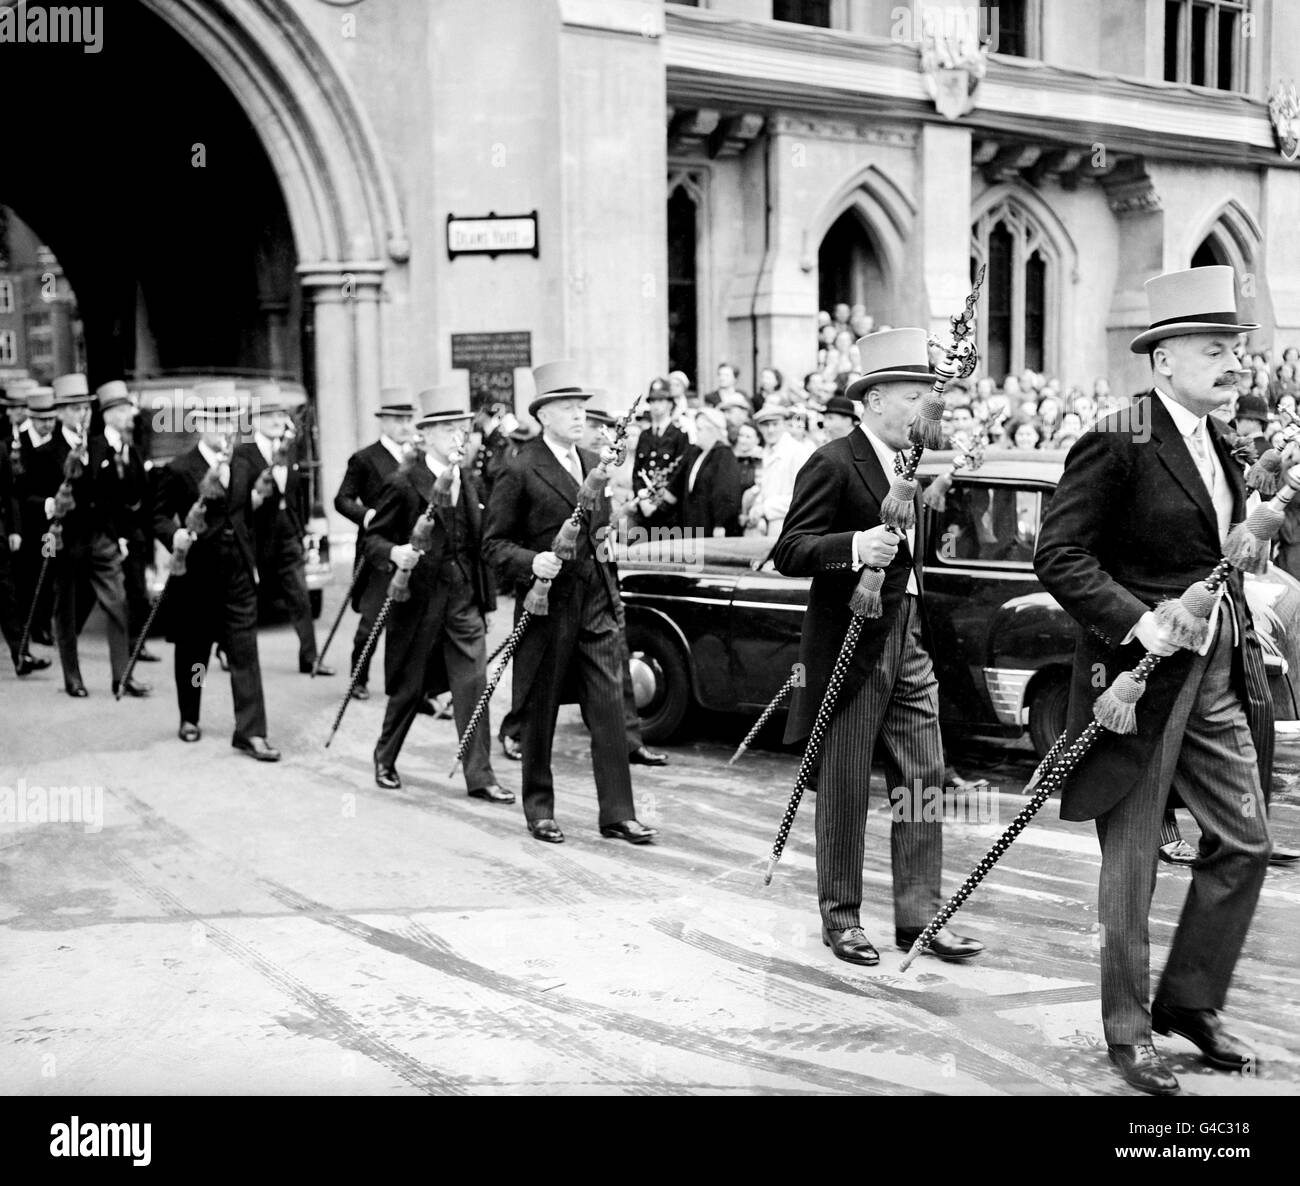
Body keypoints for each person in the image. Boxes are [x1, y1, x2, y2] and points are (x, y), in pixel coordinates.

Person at [1035, 266, 1278, 1096]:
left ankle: (1190, 1003)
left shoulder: (1229, 445)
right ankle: (1128, 1031)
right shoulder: (1118, 437)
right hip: (1136, 681)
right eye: (1215, 349)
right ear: (1164, 358)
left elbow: (1219, 557)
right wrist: (1138, 621)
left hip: (1213, 674)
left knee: (1245, 840)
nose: (1233, 363)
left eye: (1237, 349)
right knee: (1132, 864)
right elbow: (1059, 555)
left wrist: (1259, 562)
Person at [771, 329, 985, 969]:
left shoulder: (914, 467)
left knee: (921, 780)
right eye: (915, 394)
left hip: (910, 637)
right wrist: (854, 547)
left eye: (930, 394)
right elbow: (790, 550)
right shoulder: (834, 461)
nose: (928, 406)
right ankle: (842, 917)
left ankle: (920, 919)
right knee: (842, 785)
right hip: (851, 644)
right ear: (873, 400)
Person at [483, 361, 658, 845]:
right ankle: (539, 808)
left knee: (608, 711)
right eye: (568, 407)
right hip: (546, 609)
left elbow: (600, 535)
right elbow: (493, 544)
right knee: (539, 715)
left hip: (595, 604)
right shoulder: (518, 469)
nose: (580, 415)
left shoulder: (591, 462)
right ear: (543, 415)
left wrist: (613, 589)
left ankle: (618, 814)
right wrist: (531, 561)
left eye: (583, 406)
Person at [364, 387, 511, 801]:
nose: (457, 439)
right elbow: (372, 542)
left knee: (473, 686)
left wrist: (487, 603)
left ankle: (480, 776)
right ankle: (385, 756)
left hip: (463, 602)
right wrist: (396, 552)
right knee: (410, 688)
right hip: (420, 605)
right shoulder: (404, 483)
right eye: (447, 430)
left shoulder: (470, 481)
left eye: (462, 430)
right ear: (426, 435)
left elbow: (479, 546)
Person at [152, 382, 279, 759]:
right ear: (198, 423)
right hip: (197, 575)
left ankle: (251, 732)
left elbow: (244, 516)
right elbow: (157, 516)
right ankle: (190, 715)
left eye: (229, 420)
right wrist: (175, 535)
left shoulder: (244, 464)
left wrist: (254, 558)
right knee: (195, 652)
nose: (224, 428)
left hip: (237, 572)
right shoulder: (179, 469)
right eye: (215, 419)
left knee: (245, 652)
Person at [24, 374, 143, 699]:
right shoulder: (45, 452)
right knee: (67, 611)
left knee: (118, 604)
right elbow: (28, 498)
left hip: (101, 538)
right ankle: (72, 677)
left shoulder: (99, 446)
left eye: (85, 409)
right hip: (67, 542)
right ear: (60, 413)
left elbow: (114, 497)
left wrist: (118, 536)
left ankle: (123, 676)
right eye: (74, 409)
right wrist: (51, 504)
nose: (81, 415)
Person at [231, 384, 332, 677]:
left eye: (280, 415)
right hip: (257, 538)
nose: (277, 421)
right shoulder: (243, 454)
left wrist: (302, 527)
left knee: (300, 597)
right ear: (255, 420)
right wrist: (255, 499)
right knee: (245, 600)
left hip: (288, 536)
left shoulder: (289, 451)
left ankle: (310, 658)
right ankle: (227, 649)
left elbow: (297, 493)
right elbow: (237, 503)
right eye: (269, 416)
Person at [334, 392, 418, 700]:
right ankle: (359, 676)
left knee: (412, 620)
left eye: (409, 419)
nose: (405, 426)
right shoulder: (366, 458)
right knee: (371, 620)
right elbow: (342, 499)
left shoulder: (421, 457)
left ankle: (408, 682)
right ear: (383, 423)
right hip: (379, 548)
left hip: (413, 546)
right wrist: (368, 515)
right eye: (398, 420)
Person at [96, 381, 159, 665]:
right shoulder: (96, 448)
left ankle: (136, 644)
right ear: (108, 414)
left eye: (129, 411)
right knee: (107, 595)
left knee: (136, 591)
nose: (128, 417)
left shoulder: (132, 450)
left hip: (133, 532)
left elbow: (142, 493)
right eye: (122, 411)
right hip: (106, 531)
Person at [11, 384, 57, 647]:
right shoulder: (19, 446)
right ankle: (27, 625)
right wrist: (43, 503)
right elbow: (16, 491)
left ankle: (42, 624)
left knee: (47, 570)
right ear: (32, 418)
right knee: (26, 576)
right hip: (27, 524)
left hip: (49, 528)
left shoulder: (57, 445)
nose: (47, 425)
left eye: (51, 419)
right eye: (42, 420)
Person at [631, 378, 688, 532]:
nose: (656, 405)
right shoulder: (645, 436)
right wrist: (642, 498)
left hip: (668, 512)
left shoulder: (679, 436)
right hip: (644, 509)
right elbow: (637, 471)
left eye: (661, 401)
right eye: (653, 401)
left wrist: (658, 503)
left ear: (670, 403)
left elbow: (678, 474)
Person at [682, 407, 742, 537]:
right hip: (694, 523)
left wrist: (720, 523)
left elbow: (726, 492)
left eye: (700, 429)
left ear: (713, 431)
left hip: (713, 526)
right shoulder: (697, 453)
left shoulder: (723, 454)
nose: (696, 433)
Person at [745, 406, 804, 537]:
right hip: (767, 525)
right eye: (765, 425)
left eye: (775, 424)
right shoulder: (766, 452)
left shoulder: (797, 451)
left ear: (785, 424)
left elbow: (801, 497)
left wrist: (764, 508)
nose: (770, 430)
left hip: (788, 524)